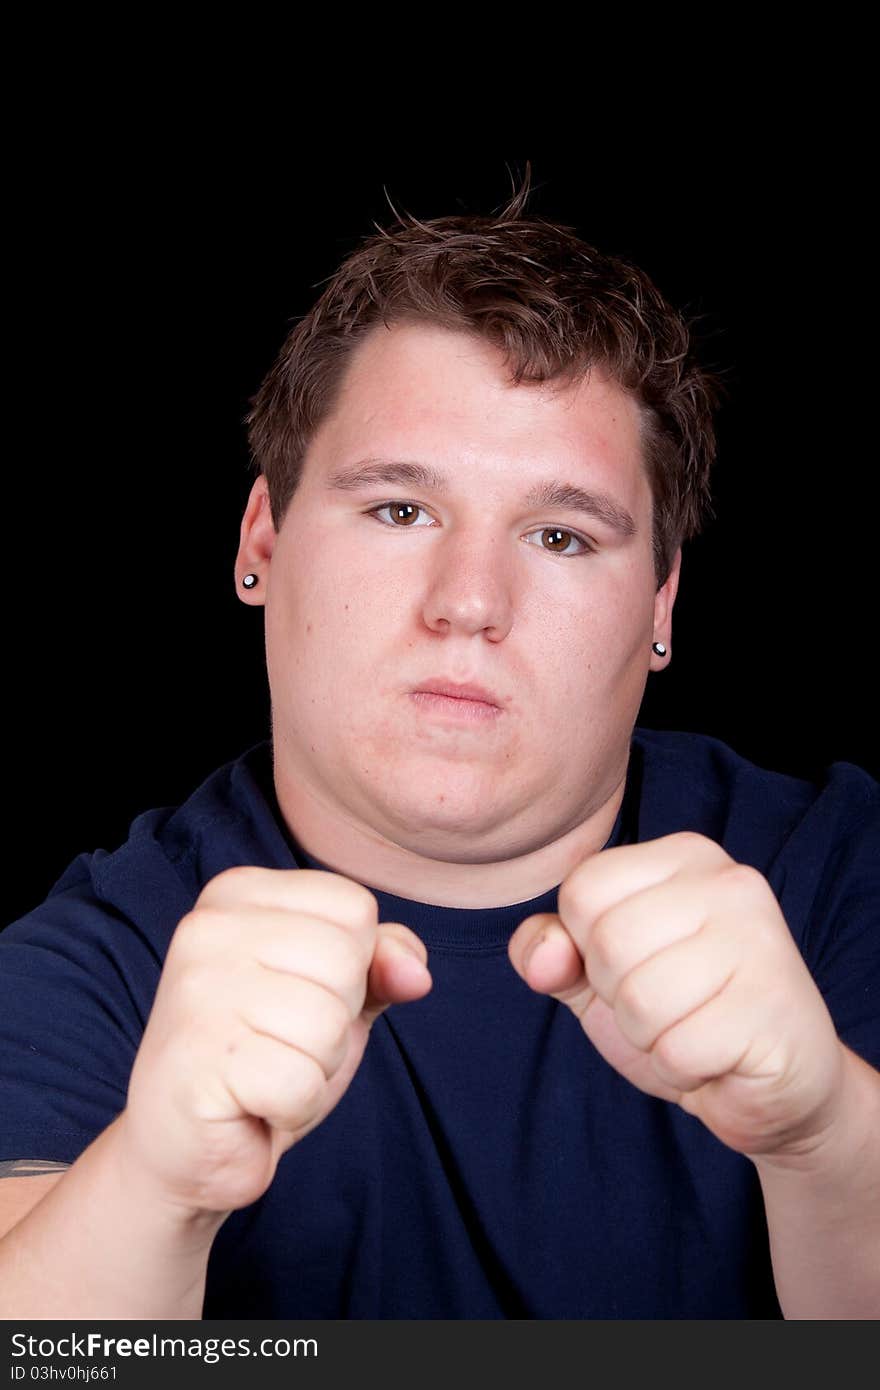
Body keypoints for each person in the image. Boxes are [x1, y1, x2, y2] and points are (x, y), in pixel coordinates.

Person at [1, 169, 878, 1321]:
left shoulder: (840, 872)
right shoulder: (95, 957)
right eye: (399, 509)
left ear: (661, 602)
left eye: (561, 534)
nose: (469, 601)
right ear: (262, 538)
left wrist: (828, 1137)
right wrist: (154, 1185)